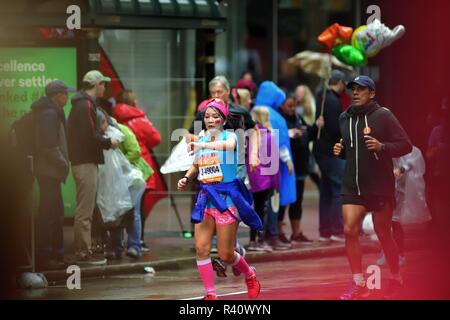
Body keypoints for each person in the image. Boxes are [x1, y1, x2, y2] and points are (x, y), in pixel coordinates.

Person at [334, 75, 412, 300]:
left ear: (372, 93)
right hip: (352, 184)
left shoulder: (383, 115)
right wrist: (341, 151)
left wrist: (382, 146)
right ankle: (360, 284)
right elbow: (351, 151)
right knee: (349, 230)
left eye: (361, 89)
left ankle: (396, 277)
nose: (355, 93)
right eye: (353, 89)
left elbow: (405, 145)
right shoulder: (343, 119)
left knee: (383, 234)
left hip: (379, 184)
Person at [177, 99, 261, 300]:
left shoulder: (230, 136)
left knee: (226, 255)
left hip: (226, 200)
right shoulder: (202, 138)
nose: (211, 120)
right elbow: (197, 165)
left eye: (215, 116)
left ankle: (250, 275)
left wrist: (202, 143)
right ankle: (210, 294)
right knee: (201, 248)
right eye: (207, 116)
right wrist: (186, 177)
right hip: (206, 198)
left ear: (223, 119)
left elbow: (227, 146)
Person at [67, 70, 118, 265]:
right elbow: (88, 137)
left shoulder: (82, 104)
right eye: (103, 84)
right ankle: (82, 253)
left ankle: (84, 249)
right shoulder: (85, 105)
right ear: (97, 85)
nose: (105, 87)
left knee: (85, 208)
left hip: (83, 161)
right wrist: (108, 142)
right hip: (85, 162)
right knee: (85, 210)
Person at [97, 109, 152, 259]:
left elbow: (135, 151)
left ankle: (134, 246)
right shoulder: (100, 136)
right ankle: (116, 247)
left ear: (105, 121)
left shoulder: (122, 131)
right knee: (116, 210)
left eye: (101, 123)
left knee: (132, 211)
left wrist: (118, 166)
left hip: (132, 177)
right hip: (115, 179)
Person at [33, 80, 75, 270]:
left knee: (53, 212)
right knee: (50, 214)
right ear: (57, 95)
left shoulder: (51, 112)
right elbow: (49, 146)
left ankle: (55, 253)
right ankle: (47, 254)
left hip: (48, 171)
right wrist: (63, 162)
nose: (67, 97)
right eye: (65, 93)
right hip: (49, 171)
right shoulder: (49, 114)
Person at [113, 90, 162, 252]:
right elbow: (156, 139)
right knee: (138, 207)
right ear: (133, 102)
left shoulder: (111, 118)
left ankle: (116, 244)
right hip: (139, 166)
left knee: (118, 205)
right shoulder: (139, 120)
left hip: (117, 166)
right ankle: (137, 241)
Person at [254, 81, 295, 250]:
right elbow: (282, 143)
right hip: (273, 168)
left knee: (259, 204)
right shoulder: (275, 116)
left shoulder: (253, 113)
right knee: (273, 202)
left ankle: (259, 236)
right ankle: (272, 234)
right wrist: (287, 160)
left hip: (256, 170)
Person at [376, 146, 431, 267]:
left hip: (398, 186)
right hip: (383, 185)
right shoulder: (380, 142)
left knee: (394, 221)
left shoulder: (403, 144)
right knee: (384, 223)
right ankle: (387, 253)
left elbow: (412, 161)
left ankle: (399, 254)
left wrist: (401, 169)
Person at [278, 96, 323, 245]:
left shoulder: (298, 117)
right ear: (282, 106)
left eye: (294, 106)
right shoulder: (279, 120)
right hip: (287, 169)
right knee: (283, 202)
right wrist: (289, 134)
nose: (292, 109)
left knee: (298, 201)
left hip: (301, 168)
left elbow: (309, 133)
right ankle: (279, 232)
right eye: (289, 106)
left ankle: (296, 233)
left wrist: (316, 126)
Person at [313, 70, 347, 243]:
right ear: (339, 82)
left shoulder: (321, 97)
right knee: (337, 189)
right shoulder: (332, 101)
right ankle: (336, 228)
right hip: (331, 151)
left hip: (321, 151)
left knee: (326, 190)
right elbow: (335, 129)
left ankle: (325, 230)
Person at [245, 107, 279, 252]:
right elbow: (274, 162)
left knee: (250, 209)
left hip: (249, 176)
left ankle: (252, 239)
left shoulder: (247, 135)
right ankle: (259, 239)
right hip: (264, 179)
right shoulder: (269, 136)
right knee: (261, 210)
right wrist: (276, 183)